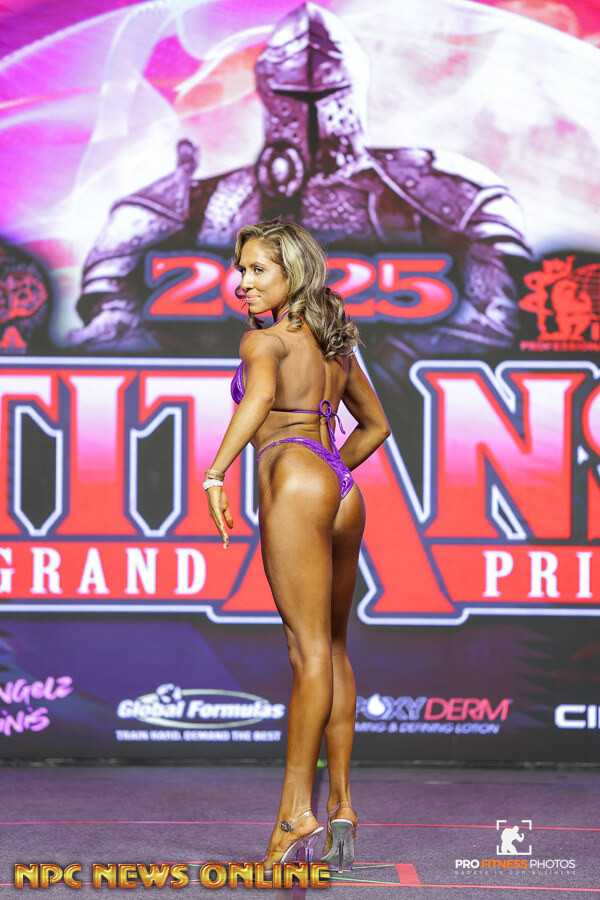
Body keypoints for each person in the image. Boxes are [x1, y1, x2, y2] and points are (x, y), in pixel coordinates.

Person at [204, 220, 390, 870]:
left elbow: (258, 399)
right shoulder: (334, 343)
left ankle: (294, 814)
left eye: (258, 270)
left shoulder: (265, 341)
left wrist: (216, 472)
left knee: (306, 652)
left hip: (294, 475)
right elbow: (376, 426)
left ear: (293, 273)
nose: (243, 282)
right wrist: (330, 474)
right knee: (333, 648)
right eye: (241, 268)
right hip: (340, 487)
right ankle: (341, 804)